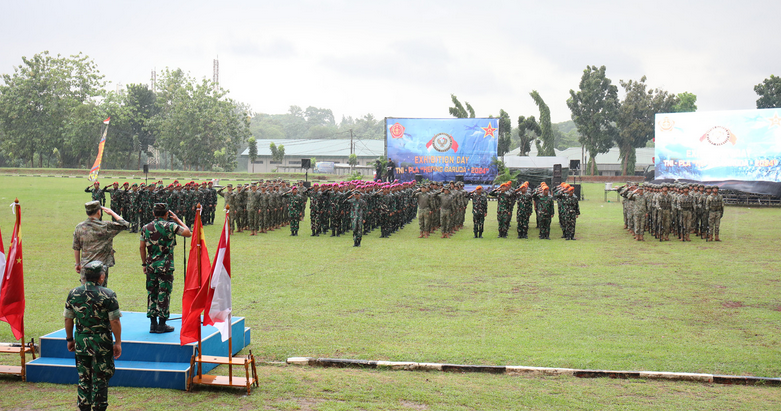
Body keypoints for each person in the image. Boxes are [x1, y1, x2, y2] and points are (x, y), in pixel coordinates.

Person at [63, 261, 122, 411]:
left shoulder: (74, 293)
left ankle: (84, 407)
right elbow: (114, 321)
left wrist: (70, 339)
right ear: (101, 277)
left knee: (84, 379)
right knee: (100, 379)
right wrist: (118, 343)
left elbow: (68, 318)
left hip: (82, 343)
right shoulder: (108, 295)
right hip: (102, 344)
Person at [139, 203, 192, 333]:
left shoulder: (146, 227)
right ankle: (162, 324)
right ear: (166, 214)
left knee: (152, 293)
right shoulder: (171, 226)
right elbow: (188, 233)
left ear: (153, 213)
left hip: (151, 266)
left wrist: (144, 264)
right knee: (164, 293)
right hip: (166, 266)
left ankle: (153, 324)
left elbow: (142, 247)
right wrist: (178, 220)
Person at [73, 201, 130, 286]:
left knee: (86, 293)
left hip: (85, 266)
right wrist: (112, 213)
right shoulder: (105, 226)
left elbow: (76, 247)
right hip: (100, 268)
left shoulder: (79, 227)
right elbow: (125, 224)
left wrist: (77, 264)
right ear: (99, 212)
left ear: (86, 212)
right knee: (100, 294)